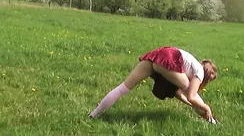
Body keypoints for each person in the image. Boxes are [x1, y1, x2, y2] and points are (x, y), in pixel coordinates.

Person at [88, 46, 218, 123]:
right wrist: (206, 108)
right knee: (192, 92)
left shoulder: (192, 64)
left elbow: (178, 93)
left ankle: (93, 115)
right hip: (170, 58)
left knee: (122, 88)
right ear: (206, 75)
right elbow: (192, 97)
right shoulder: (200, 72)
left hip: (157, 55)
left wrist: (191, 105)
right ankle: (212, 121)